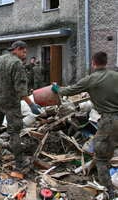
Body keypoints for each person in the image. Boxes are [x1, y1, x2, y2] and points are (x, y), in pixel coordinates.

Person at [52, 51, 118, 198]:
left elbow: (69, 91)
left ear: (93, 63)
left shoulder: (91, 79)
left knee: (101, 158)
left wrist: (57, 89)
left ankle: (110, 192)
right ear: (106, 62)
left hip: (109, 122)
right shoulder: (115, 76)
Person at [0, 41, 41, 170]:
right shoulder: (17, 64)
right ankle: (20, 161)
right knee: (14, 132)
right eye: (24, 52)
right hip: (10, 103)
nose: (25, 55)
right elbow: (21, 90)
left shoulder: (0, 59)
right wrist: (32, 105)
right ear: (17, 49)